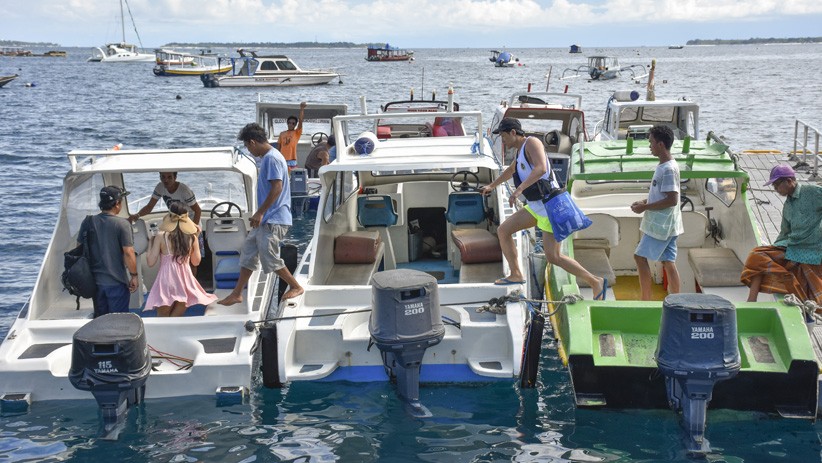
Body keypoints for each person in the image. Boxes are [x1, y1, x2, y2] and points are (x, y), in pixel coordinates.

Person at [480, 118, 606, 298]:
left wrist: (518, 191)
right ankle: (516, 274)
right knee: (503, 230)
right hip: (535, 207)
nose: (503, 140)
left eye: (503, 136)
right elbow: (511, 171)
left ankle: (595, 281)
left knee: (554, 257)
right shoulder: (519, 151)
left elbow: (541, 168)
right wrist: (492, 186)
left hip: (550, 208)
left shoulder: (532, 142)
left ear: (513, 132)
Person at [219, 122, 304, 305]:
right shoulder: (270, 157)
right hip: (267, 218)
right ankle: (237, 293)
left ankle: (295, 286)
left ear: (252, 142)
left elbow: (277, 188)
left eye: (248, 147)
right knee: (248, 252)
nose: (249, 151)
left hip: (274, 218)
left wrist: (259, 213)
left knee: (269, 256)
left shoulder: (271, 158)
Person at [741, 165, 822, 304]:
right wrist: (773, 248)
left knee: (811, 290)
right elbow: (785, 232)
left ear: (789, 181)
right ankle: (751, 300)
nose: (775, 189)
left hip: (811, 249)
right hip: (791, 247)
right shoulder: (788, 205)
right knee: (757, 256)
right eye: (774, 185)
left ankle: (799, 301)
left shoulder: (812, 192)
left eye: (777, 184)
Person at [630, 125, 683, 301]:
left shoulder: (667, 169)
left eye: (651, 142)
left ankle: (645, 300)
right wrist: (645, 202)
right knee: (668, 262)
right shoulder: (667, 165)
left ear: (660, 144)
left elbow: (672, 199)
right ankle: (676, 300)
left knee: (639, 257)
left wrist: (644, 208)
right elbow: (662, 194)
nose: (649, 146)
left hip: (661, 226)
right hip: (670, 225)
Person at [144, 201, 217, 317]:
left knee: (162, 317)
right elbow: (196, 262)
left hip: (167, 280)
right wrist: (196, 238)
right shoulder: (192, 237)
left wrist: (150, 242)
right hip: (184, 281)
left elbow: (150, 262)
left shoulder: (161, 236)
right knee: (176, 318)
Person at [80, 186, 138, 318]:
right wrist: (134, 276)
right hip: (116, 284)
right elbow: (128, 253)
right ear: (117, 203)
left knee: (101, 321)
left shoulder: (88, 222)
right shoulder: (122, 224)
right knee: (119, 322)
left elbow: (80, 247)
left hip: (95, 284)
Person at [128, 171, 204, 272]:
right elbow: (150, 207)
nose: (166, 180)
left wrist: (194, 230)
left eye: (169, 177)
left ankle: (191, 283)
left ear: (175, 177)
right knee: (175, 257)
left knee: (191, 259)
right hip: (174, 223)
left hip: (190, 222)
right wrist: (137, 215)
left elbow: (197, 210)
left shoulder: (184, 190)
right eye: (163, 177)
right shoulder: (160, 187)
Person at [277, 101, 307, 170]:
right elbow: (278, 148)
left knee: (292, 177)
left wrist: (302, 109)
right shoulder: (282, 134)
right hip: (282, 159)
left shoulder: (297, 133)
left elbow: (301, 121)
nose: (291, 124)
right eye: (289, 123)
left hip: (292, 160)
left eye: (293, 123)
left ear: (295, 125)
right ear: (287, 123)